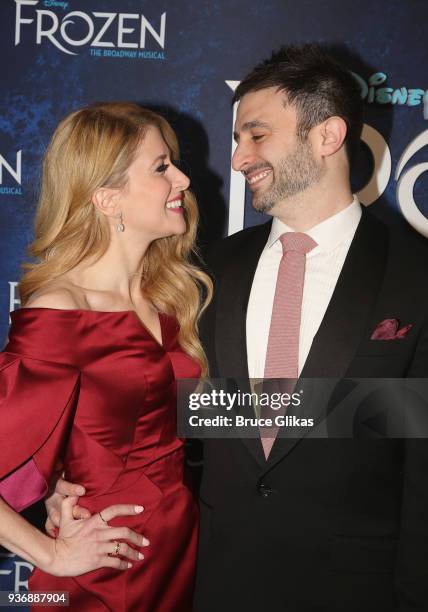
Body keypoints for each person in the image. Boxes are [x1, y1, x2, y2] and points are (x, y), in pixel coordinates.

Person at [193, 45, 428, 611]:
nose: (239, 157)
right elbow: (194, 426)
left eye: (256, 135)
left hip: (355, 591)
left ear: (326, 136)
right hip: (219, 584)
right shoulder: (210, 272)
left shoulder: (416, 275)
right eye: (238, 138)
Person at [0, 101, 211, 611]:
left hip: (179, 548)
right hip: (106, 567)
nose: (182, 178)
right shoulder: (62, 309)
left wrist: (50, 483)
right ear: (107, 198)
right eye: (161, 167)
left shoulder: (167, 296)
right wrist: (48, 553)